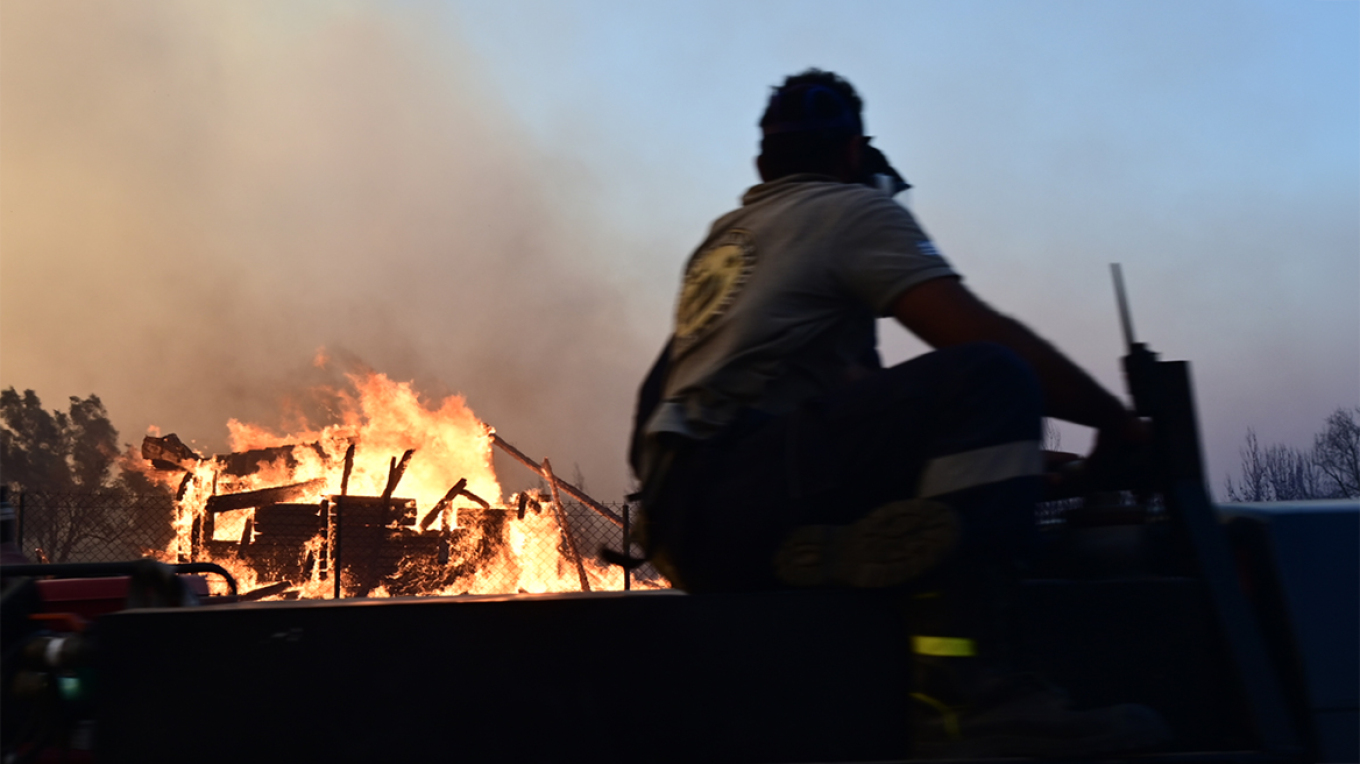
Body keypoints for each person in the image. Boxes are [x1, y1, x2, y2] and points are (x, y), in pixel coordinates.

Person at [628, 69, 1170, 758]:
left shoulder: (729, 241)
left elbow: (871, 415)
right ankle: (968, 700)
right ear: (854, 154)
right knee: (994, 376)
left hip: (692, 524)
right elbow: (978, 341)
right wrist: (1116, 422)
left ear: (764, 163)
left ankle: (826, 557)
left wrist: (1023, 476)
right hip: (742, 483)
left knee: (950, 427)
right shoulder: (845, 211)